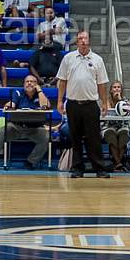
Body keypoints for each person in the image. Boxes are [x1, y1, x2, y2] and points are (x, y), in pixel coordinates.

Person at [56, 31, 111, 179]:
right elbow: (62, 81)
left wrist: (104, 102)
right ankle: (77, 168)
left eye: (85, 38)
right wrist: (60, 101)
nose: (83, 41)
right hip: (73, 104)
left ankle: (100, 168)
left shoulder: (98, 60)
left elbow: (102, 84)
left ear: (89, 41)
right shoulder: (68, 58)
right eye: (80, 38)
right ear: (76, 42)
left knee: (94, 137)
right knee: (75, 137)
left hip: (91, 105)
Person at [0, 75, 52, 171]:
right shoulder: (17, 93)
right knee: (1, 131)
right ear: (23, 84)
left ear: (37, 84)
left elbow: (45, 106)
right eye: (27, 81)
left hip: (35, 129)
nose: (29, 83)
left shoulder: (40, 95)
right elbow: (12, 104)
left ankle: (31, 162)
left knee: (47, 137)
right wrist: (9, 105)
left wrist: (39, 90)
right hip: (16, 127)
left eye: (32, 81)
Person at [103, 81, 130, 171]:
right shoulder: (107, 101)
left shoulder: (126, 101)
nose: (116, 89)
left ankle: (117, 163)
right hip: (109, 126)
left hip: (122, 126)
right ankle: (119, 163)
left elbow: (127, 112)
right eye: (114, 87)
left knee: (123, 135)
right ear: (111, 90)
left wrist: (120, 100)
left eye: (118, 87)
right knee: (111, 134)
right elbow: (108, 114)